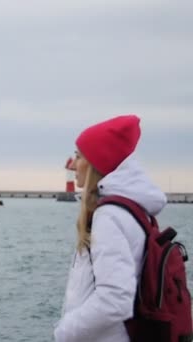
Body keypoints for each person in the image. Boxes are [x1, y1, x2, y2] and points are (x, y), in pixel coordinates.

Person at [53, 114, 167, 342]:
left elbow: (116, 298)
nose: (73, 164)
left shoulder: (109, 217)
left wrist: (63, 332)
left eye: (78, 156)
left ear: (97, 163)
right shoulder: (131, 210)